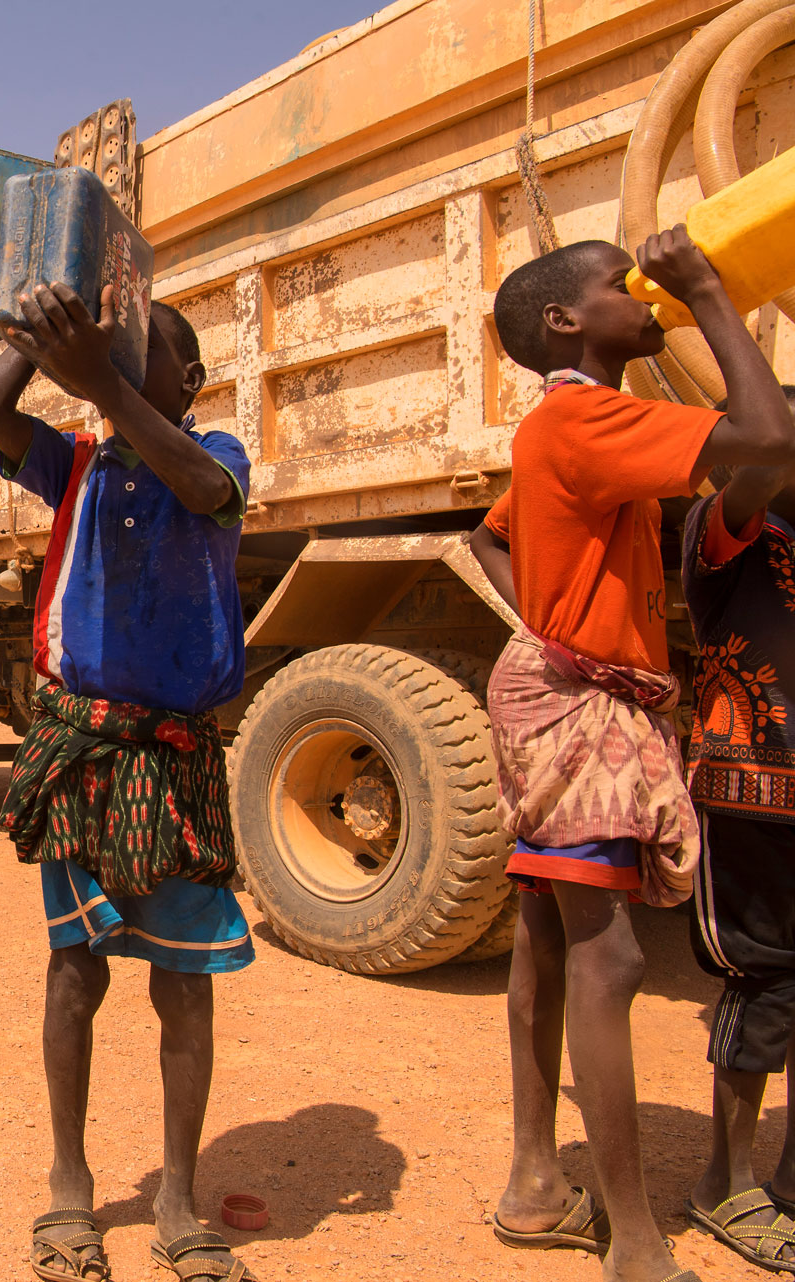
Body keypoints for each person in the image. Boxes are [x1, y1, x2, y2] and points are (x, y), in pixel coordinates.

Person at [467, 229, 795, 1282]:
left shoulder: (564, 426)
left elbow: (490, 534)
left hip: (566, 690)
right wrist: (705, 293)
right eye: (625, 285)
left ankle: (533, 1183)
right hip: (577, 707)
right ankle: (638, 1242)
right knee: (606, 958)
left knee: (549, 946)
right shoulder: (585, 415)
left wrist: (548, 624)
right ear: (565, 321)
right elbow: (768, 437)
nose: (642, 292)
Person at [0, 284, 254, 1282]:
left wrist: (105, 386)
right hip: (87, 747)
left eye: (147, 357)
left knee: (185, 981)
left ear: (192, 381)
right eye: (113, 356)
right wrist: (35, 337)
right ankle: (69, 1186)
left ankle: (178, 1197)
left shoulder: (216, 455)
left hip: (173, 755)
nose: (124, 370)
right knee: (77, 972)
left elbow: (204, 492)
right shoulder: (74, 461)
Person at [679, 388, 795, 1274]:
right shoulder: (723, 535)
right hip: (750, 798)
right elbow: (759, 465)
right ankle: (726, 1181)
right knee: (765, 981)